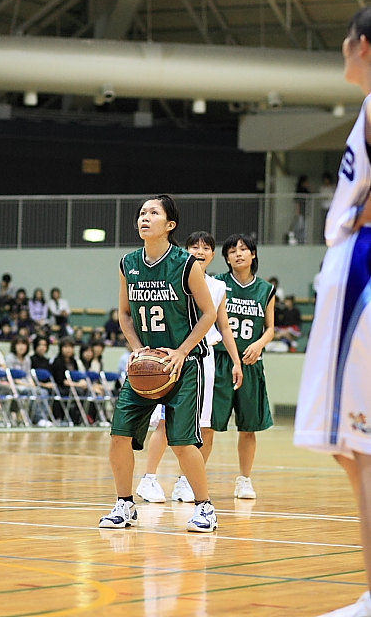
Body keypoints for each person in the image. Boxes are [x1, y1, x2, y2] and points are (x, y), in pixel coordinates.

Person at [294, 6, 371, 617]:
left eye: (346, 40)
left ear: (363, 44)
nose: (341, 49)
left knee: (358, 444)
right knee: (355, 449)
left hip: (362, 274)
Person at [99, 195, 217, 532]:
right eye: (141, 213)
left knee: (181, 442)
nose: (144, 218)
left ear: (170, 224)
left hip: (182, 364)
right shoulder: (128, 263)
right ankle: (124, 505)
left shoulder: (185, 264)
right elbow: (123, 314)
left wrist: (181, 351)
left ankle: (205, 506)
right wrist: (136, 349)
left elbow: (209, 313)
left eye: (153, 213)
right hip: (145, 366)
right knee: (119, 435)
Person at [136, 230, 243, 504]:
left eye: (205, 247)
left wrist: (235, 360)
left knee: (204, 424)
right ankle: (148, 479)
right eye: (194, 246)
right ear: (185, 251)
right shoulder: (174, 277)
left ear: (213, 253)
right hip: (173, 356)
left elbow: (224, 326)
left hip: (205, 358)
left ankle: (187, 483)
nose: (200, 251)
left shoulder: (218, 287)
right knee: (164, 421)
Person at [202, 233, 275, 500]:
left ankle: (244, 479)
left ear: (253, 254)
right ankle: (190, 480)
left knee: (248, 428)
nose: (238, 254)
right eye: (232, 251)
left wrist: (259, 343)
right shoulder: (218, 283)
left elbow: (270, 329)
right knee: (206, 425)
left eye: (243, 249)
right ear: (226, 258)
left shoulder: (265, 289)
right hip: (220, 359)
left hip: (250, 362)